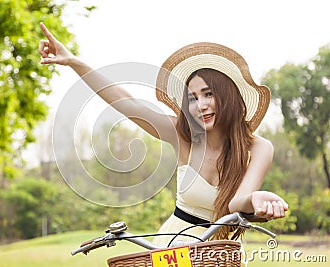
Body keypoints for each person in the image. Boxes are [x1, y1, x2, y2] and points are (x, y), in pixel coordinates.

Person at [38, 22, 288, 251]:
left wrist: (256, 199)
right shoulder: (182, 135)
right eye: (192, 98)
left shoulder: (258, 148)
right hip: (172, 246)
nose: (200, 105)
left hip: (219, 254)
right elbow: (128, 103)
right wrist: (74, 62)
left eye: (208, 94)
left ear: (229, 96)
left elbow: (236, 205)